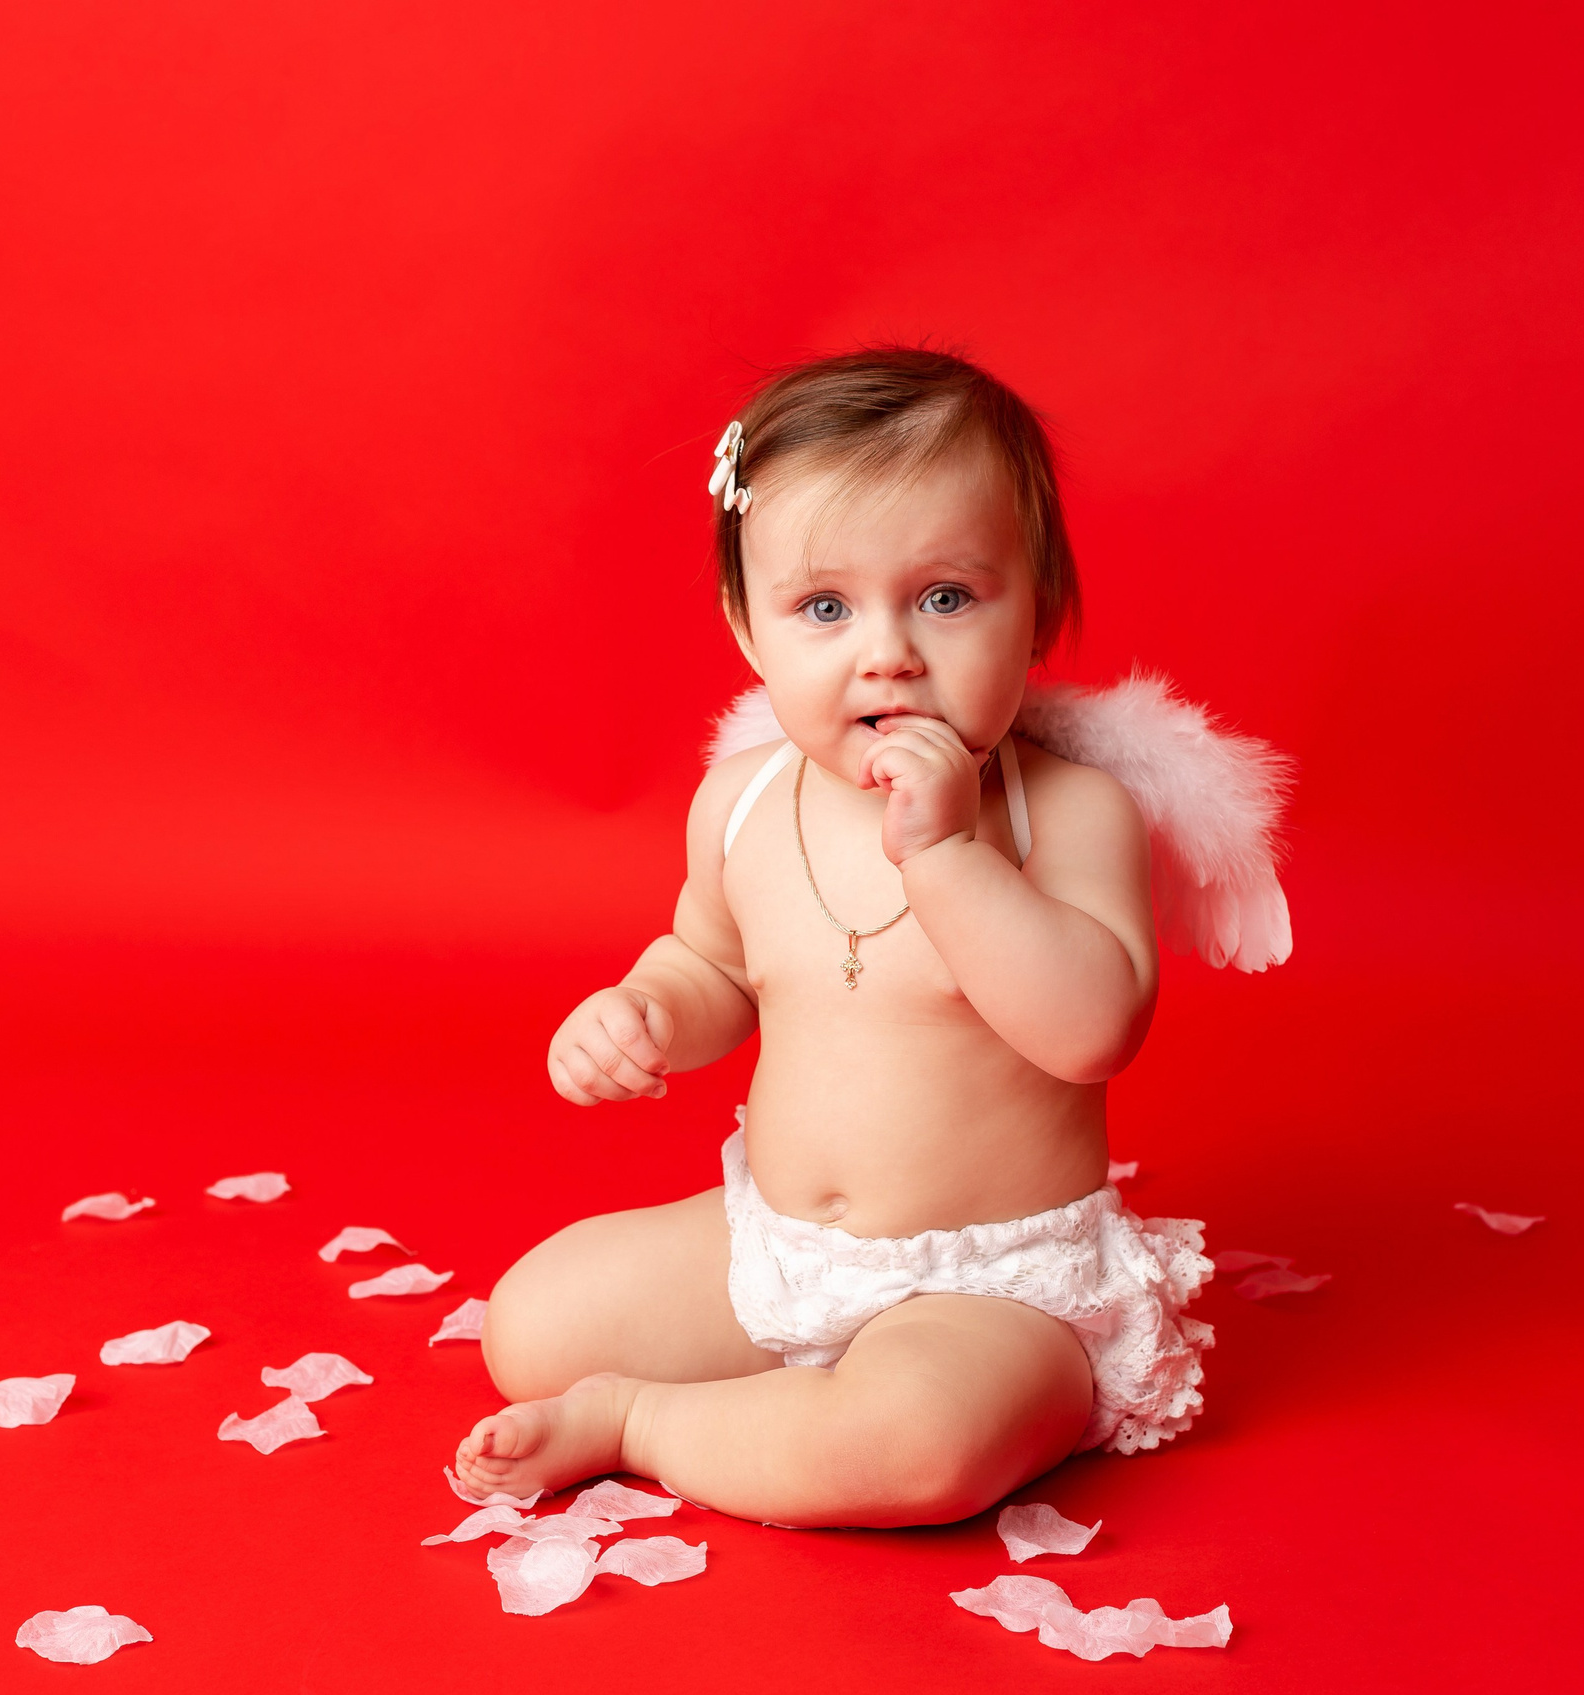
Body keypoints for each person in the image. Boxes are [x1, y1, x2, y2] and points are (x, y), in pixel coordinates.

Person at [454, 348, 1259, 1527]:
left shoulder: (1068, 813)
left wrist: (944, 856)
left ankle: (644, 1423)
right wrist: (646, 1010)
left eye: (944, 597)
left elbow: (1091, 1031)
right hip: (775, 1247)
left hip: (992, 1283)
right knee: (530, 1325)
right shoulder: (739, 802)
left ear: (1034, 606)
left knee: (914, 1448)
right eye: (825, 608)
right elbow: (714, 960)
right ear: (748, 628)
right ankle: (778, 1399)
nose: (887, 652)